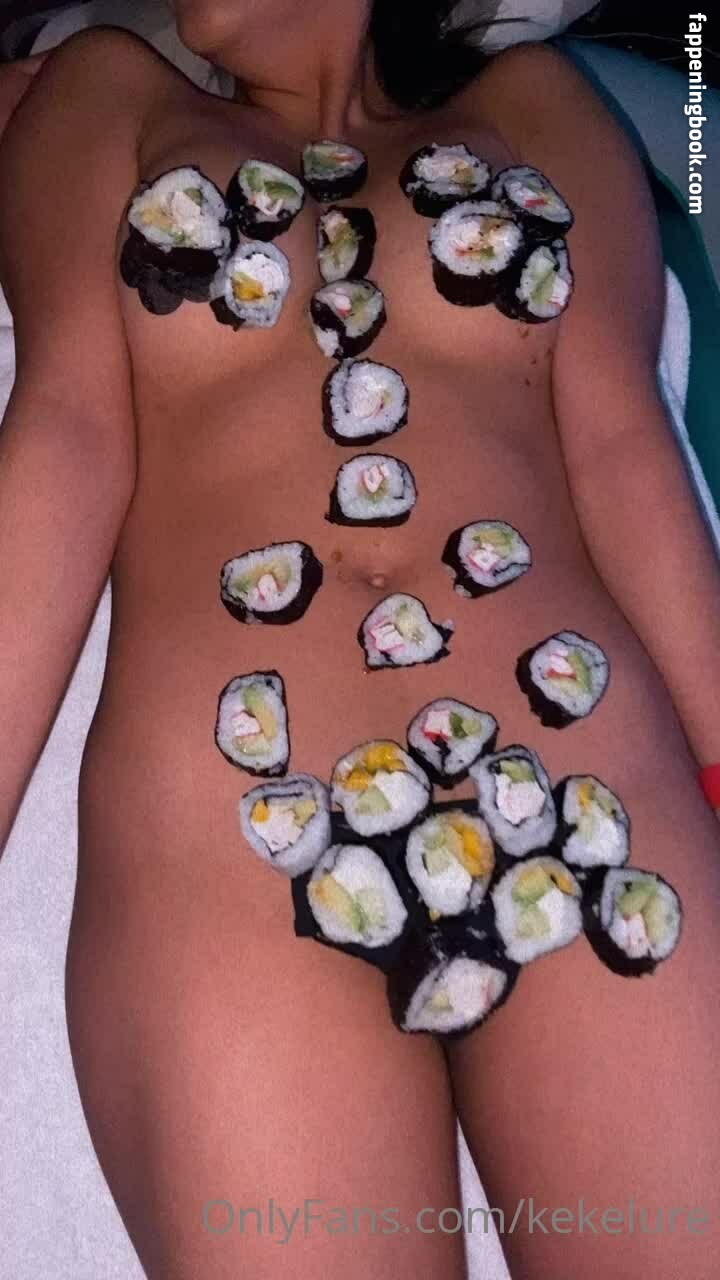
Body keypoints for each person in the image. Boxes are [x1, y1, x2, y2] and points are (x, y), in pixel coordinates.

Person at [0, 4, 718, 1277]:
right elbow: (62, 441)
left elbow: (625, 450)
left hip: (588, 797)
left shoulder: (538, 103)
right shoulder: (106, 98)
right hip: (232, 834)